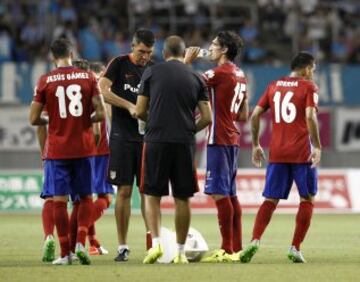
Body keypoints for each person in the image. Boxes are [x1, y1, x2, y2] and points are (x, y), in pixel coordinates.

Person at [136, 35, 212, 264]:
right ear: (183, 52)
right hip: (183, 142)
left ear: (164, 52)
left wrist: (153, 123)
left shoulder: (152, 72)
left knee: (152, 195)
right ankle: (180, 252)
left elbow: (140, 110)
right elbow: (207, 117)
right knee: (182, 197)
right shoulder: (197, 78)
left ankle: (157, 245)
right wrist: (189, 129)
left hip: (156, 140)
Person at [29, 38, 105, 265]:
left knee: (59, 201)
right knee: (85, 198)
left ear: (52, 57)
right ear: (72, 53)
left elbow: (33, 119)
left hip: (58, 150)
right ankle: (81, 242)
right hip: (83, 147)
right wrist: (82, 118)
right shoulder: (89, 77)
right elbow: (100, 114)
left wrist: (53, 119)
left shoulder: (45, 81)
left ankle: (65, 254)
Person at [240, 51, 321, 264]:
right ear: (306, 68)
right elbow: (310, 116)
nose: (313, 74)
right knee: (307, 198)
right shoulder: (309, 87)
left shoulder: (274, 85)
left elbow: (255, 114)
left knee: (270, 199)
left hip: (277, 153)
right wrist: (318, 146)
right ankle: (295, 248)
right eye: (312, 69)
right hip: (301, 153)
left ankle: (255, 240)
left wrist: (256, 144)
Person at [185, 30, 249, 262]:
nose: (209, 48)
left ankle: (226, 249)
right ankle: (237, 248)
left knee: (220, 195)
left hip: (219, 138)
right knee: (230, 195)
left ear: (224, 50)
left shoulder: (219, 73)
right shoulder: (240, 74)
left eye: (213, 45)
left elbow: (188, 83)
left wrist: (186, 64)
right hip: (232, 137)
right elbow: (243, 113)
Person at [99, 28, 155, 262]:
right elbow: (102, 89)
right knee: (124, 191)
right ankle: (123, 246)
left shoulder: (153, 69)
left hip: (147, 139)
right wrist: (129, 106)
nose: (145, 57)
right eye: (142, 51)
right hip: (122, 137)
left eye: (149, 52)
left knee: (147, 193)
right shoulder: (119, 64)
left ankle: (153, 244)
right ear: (133, 46)